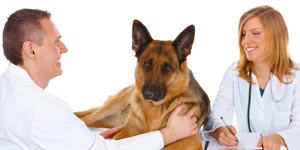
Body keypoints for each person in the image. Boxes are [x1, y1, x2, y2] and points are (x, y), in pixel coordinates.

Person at [0, 8, 199, 149]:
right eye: (56, 41)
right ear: (31, 49)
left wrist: (85, 140)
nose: (64, 48)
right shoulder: (46, 109)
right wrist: (168, 135)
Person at [202, 5, 300, 150]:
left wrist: (280, 137)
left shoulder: (297, 76)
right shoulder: (234, 72)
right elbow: (218, 115)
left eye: (255, 33)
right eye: (243, 34)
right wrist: (219, 130)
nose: (245, 41)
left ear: (276, 36)